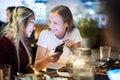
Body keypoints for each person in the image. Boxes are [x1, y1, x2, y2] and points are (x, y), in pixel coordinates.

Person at [34, 5, 82, 71]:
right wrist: (47, 59)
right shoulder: (45, 34)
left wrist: (73, 49)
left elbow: (81, 61)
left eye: (55, 23)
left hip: (69, 71)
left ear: (66, 23)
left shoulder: (74, 32)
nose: (51, 26)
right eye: (49, 21)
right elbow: (37, 66)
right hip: (50, 72)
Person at [0, 6, 35, 80]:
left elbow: (27, 70)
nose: (34, 27)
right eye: (32, 22)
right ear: (21, 22)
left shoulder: (21, 44)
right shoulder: (3, 46)